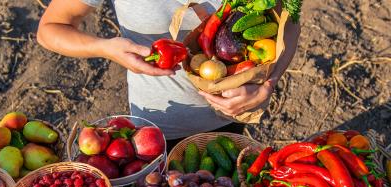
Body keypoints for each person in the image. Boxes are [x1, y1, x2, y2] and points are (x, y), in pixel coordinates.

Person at [37, 0, 300, 144]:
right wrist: (106, 48)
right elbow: (51, 28)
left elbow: (287, 24)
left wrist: (269, 85)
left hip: (229, 120)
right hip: (156, 131)